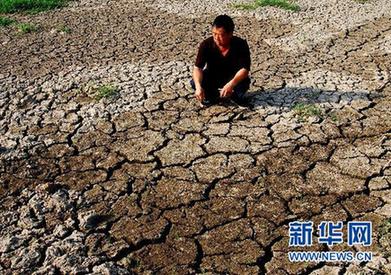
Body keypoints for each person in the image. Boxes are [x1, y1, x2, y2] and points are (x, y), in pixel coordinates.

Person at [191, 14, 251, 107]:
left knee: (241, 89)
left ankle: (234, 96)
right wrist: (198, 87)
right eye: (214, 34)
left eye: (221, 35)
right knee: (194, 83)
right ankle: (213, 96)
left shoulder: (240, 44)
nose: (216, 38)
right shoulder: (206, 44)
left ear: (230, 34)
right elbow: (197, 68)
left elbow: (245, 69)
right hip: (213, 77)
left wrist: (230, 85)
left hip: (233, 78)